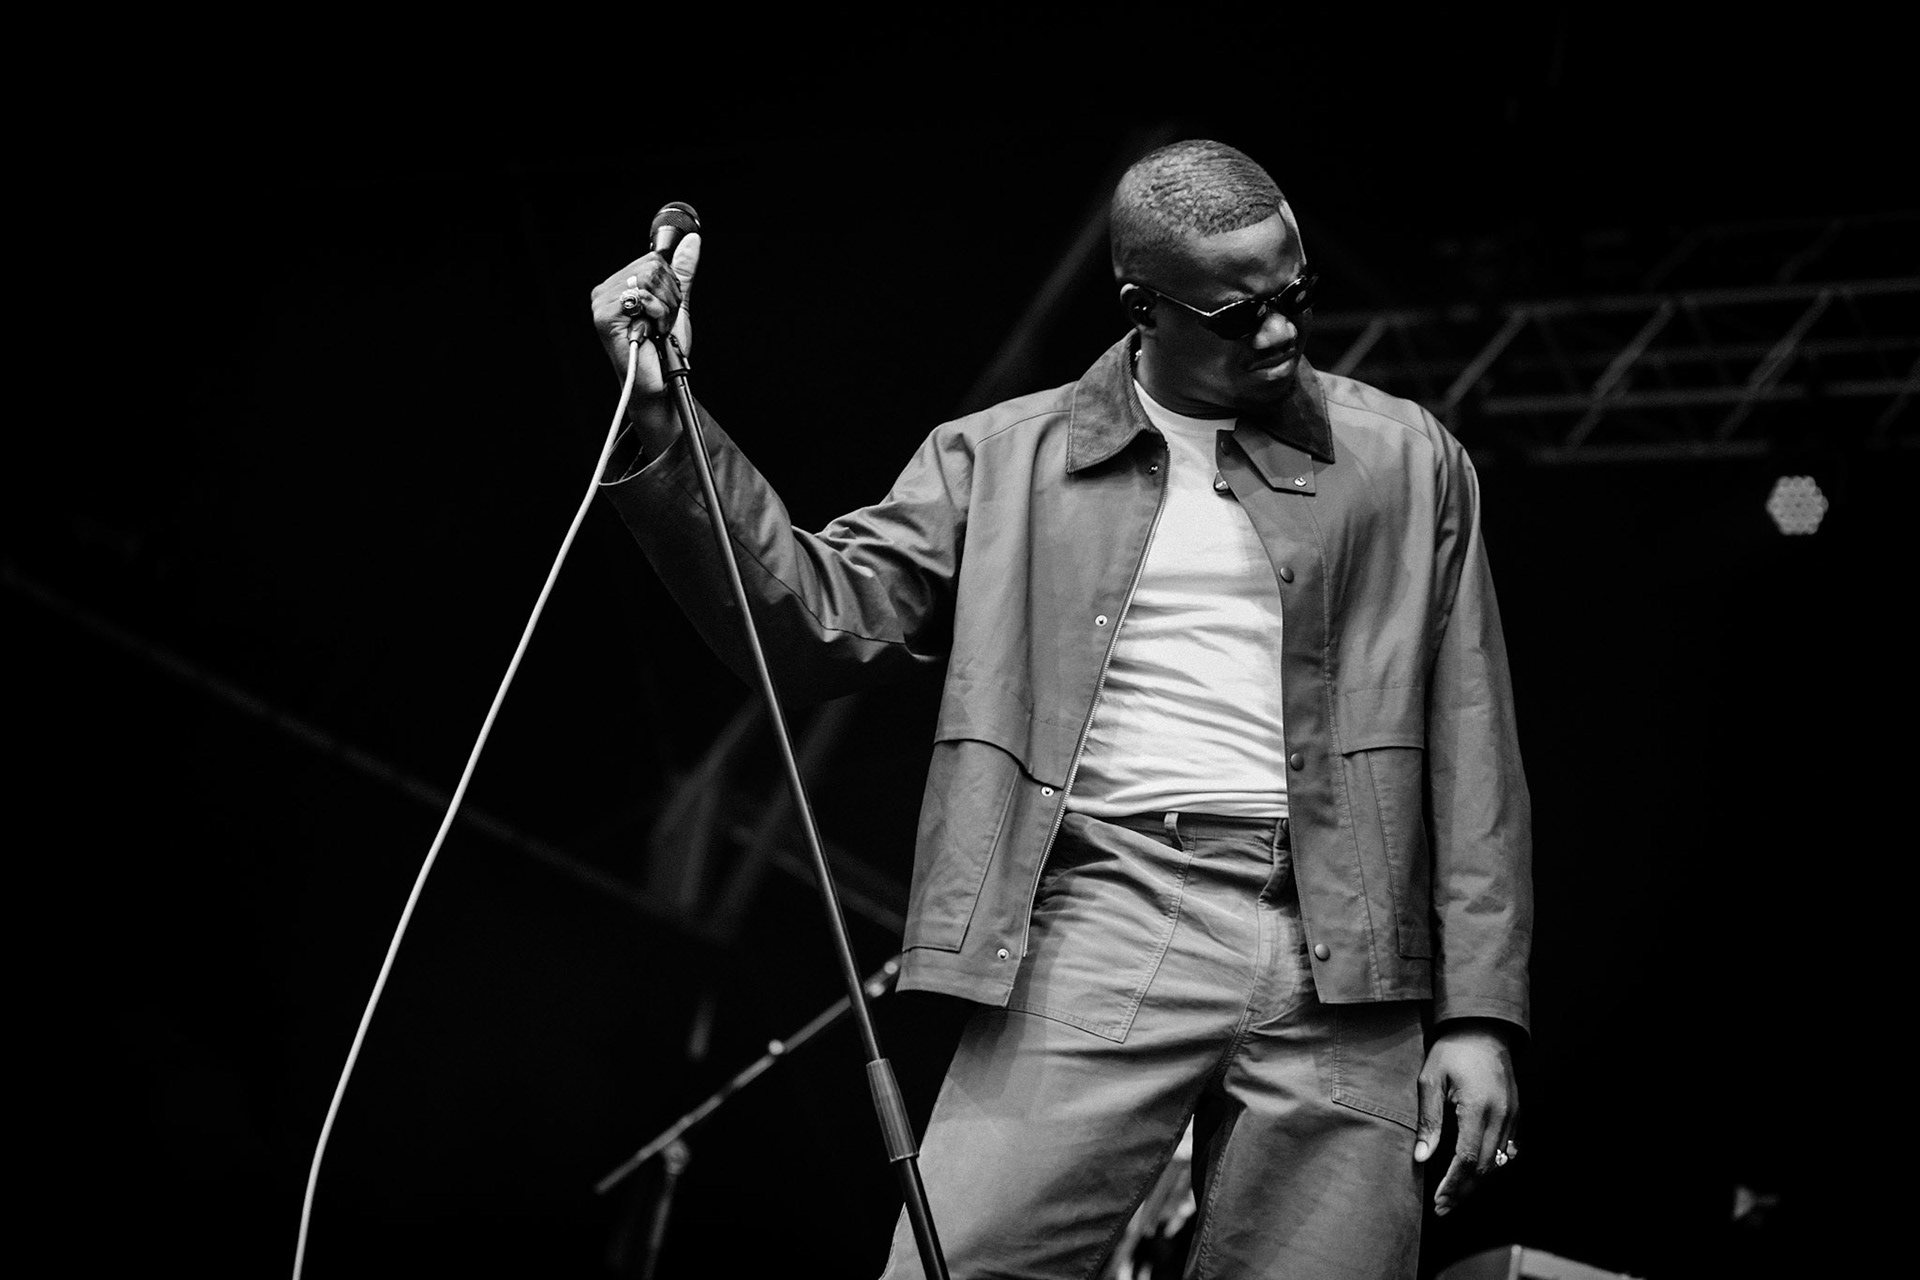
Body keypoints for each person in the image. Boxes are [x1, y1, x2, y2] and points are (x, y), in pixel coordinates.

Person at [590, 139, 1531, 1279]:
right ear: (1145, 308)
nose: (1280, 334)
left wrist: (1481, 1011)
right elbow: (818, 612)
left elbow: (1474, 735)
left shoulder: (1409, 456)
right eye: (1239, 314)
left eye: (1296, 298)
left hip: (1353, 954)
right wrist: (662, 424)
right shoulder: (1004, 456)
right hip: (1112, 910)